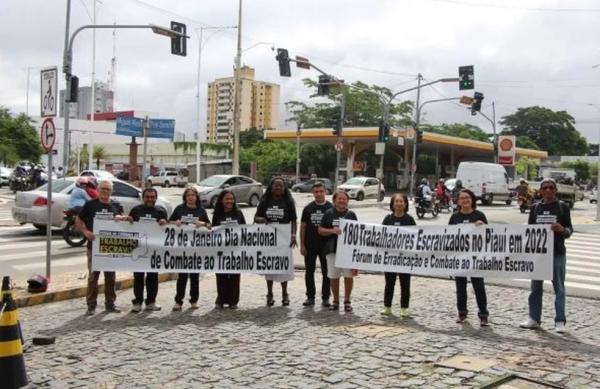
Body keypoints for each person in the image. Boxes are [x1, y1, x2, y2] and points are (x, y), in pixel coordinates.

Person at [520, 178, 572, 333]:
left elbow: (569, 230)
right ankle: (534, 318)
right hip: (539, 256)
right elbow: (529, 232)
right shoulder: (535, 208)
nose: (548, 190)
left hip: (557, 253)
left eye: (551, 187)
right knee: (535, 288)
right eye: (545, 188)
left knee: (559, 289)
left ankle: (560, 321)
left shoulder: (563, 207)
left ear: (555, 190)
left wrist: (562, 229)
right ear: (540, 191)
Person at [75, 179, 126, 315]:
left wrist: (121, 219)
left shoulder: (116, 204)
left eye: (108, 189)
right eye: (103, 189)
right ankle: (91, 305)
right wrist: (86, 232)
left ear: (111, 191)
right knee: (93, 277)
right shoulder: (90, 205)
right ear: (97, 190)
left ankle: (110, 303)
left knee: (110, 276)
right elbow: (78, 220)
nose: (105, 191)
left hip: (110, 247)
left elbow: (121, 220)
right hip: (94, 247)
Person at [449, 188, 489, 326]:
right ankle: (462, 313)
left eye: (467, 197)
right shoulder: (454, 217)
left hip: (476, 258)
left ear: (472, 199)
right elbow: (448, 236)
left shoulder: (479, 215)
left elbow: (489, 237)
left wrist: (482, 227)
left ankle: (483, 314)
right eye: (462, 198)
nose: (465, 200)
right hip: (460, 258)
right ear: (458, 201)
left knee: (479, 286)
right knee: (460, 287)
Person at [254, 177, 297, 306]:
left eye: (281, 186)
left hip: (283, 239)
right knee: (269, 266)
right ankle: (270, 293)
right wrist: (263, 220)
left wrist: (293, 235)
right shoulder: (265, 201)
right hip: (269, 239)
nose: (278, 188)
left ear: (284, 188)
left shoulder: (288, 201)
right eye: (276, 185)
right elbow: (256, 217)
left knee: (283, 266)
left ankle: (285, 293)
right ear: (271, 187)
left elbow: (294, 220)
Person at [124, 188, 168, 313]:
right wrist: (129, 220)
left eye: (152, 197)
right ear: (143, 198)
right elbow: (128, 226)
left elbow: (167, 229)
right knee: (138, 276)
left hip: (154, 250)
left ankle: (151, 302)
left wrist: (165, 222)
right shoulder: (136, 210)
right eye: (147, 197)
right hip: (139, 249)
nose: (150, 199)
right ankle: (137, 302)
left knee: (153, 277)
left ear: (156, 198)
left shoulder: (161, 211)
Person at [169, 186, 211, 311]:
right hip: (182, 248)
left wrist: (202, 224)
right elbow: (168, 221)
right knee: (182, 276)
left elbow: (209, 225)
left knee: (194, 276)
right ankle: (178, 301)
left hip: (196, 249)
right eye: (188, 195)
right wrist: (174, 223)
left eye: (193, 195)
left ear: (197, 197)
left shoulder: (201, 211)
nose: (191, 197)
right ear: (185, 197)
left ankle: (194, 300)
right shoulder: (179, 209)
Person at [318, 190, 358, 312]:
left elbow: (358, 233)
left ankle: (347, 301)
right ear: (334, 201)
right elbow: (320, 230)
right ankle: (335, 300)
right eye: (339, 199)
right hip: (332, 250)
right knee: (334, 276)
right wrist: (332, 231)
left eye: (344, 199)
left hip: (348, 252)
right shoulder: (328, 214)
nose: (342, 201)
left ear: (347, 201)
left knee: (348, 276)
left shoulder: (351, 215)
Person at [380, 193, 416, 317]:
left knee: (405, 284)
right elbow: (380, 235)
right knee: (389, 283)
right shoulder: (388, 219)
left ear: (405, 204)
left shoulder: (409, 219)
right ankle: (387, 306)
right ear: (392, 204)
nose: (399, 204)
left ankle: (404, 308)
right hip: (390, 258)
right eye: (396, 201)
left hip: (405, 258)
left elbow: (416, 237)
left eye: (401, 201)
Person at [300, 181, 333, 307]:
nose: (319, 194)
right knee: (309, 271)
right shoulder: (308, 208)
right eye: (316, 192)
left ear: (325, 192)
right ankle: (310, 297)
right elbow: (303, 227)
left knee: (327, 272)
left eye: (321, 191)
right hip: (310, 245)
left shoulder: (330, 207)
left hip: (326, 246)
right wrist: (302, 245)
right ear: (313, 193)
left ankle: (326, 297)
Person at [212, 190, 246, 309]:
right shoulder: (217, 214)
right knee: (221, 275)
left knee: (234, 276)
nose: (229, 201)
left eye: (231, 199)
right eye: (227, 199)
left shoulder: (238, 213)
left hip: (236, 250)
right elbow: (213, 230)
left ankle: (233, 301)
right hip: (221, 250)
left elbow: (244, 230)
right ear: (221, 200)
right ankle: (221, 299)